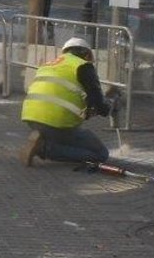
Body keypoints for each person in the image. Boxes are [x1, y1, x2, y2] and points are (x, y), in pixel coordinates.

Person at [19, 36, 116, 167]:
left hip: (31, 117)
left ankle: (46, 139)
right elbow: (100, 104)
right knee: (100, 154)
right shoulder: (83, 66)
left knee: (66, 138)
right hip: (56, 123)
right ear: (87, 55)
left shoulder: (48, 65)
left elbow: (62, 93)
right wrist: (109, 104)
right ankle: (44, 149)